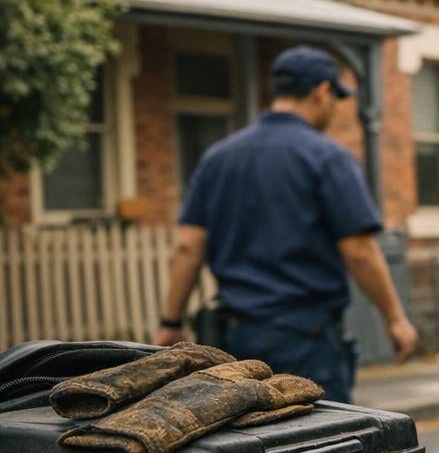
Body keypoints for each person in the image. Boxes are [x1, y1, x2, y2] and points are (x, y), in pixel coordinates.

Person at [153, 45, 419, 402]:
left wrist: (170, 323)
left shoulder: (219, 157)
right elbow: (359, 252)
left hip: (235, 340)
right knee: (321, 447)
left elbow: (188, 247)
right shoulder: (328, 157)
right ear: (322, 91)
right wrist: (395, 318)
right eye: (336, 98)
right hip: (306, 339)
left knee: (250, 447)